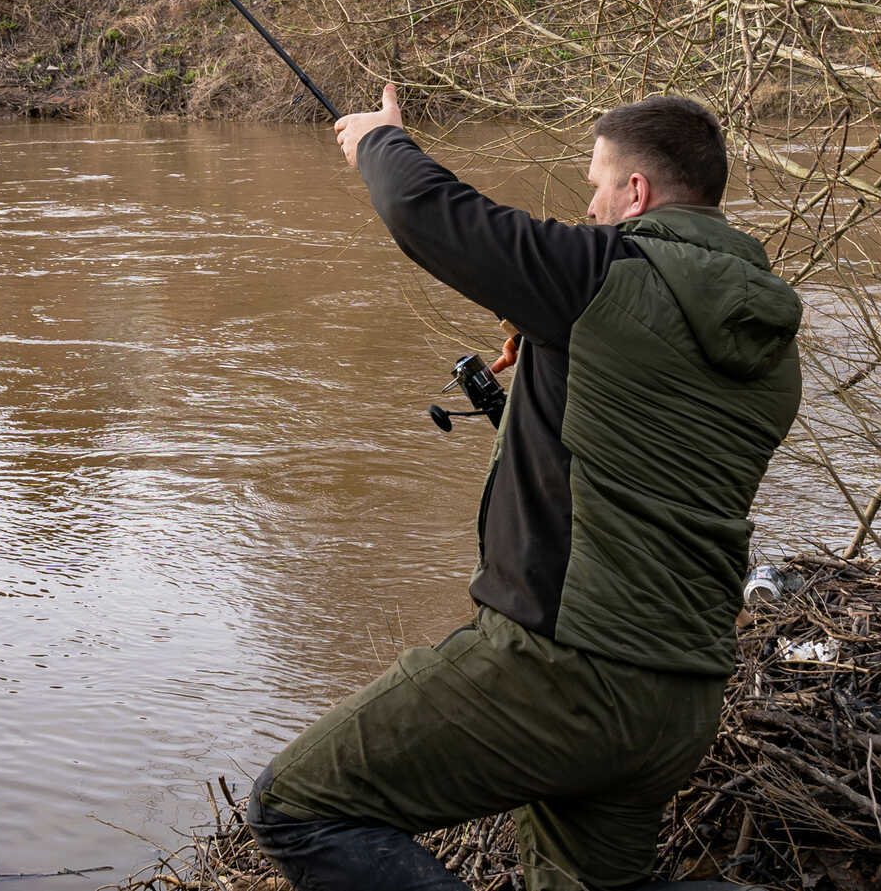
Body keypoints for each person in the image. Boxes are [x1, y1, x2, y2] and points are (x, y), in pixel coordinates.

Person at [248, 85, 802, 891]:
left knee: (297, 804)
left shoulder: (606, 277)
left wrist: (380, 141)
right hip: (676, 699)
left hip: (563, 672)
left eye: (596, 184)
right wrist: (558, 351)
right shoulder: (769, 346)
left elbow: (432, 214)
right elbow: (647, 430)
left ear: (636, 192)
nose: (588, 203)